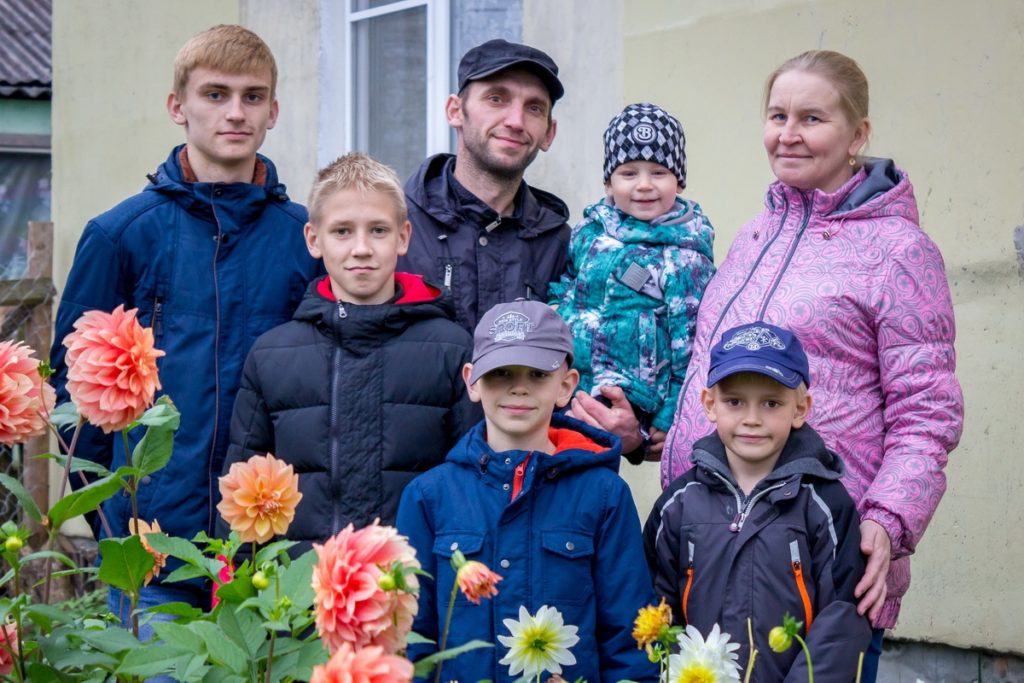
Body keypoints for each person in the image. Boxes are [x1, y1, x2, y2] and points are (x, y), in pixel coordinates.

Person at [661, 50, 964, 682]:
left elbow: (927, 410)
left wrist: (887, 519)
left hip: (820, 559)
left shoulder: (899, 251)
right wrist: (657, 432)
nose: (788, 133)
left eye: (812, 118)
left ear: (858, 135)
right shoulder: (752, 238)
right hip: (711, 547)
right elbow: (715, 379)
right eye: (777, 115)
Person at [49, 25, 321, 616]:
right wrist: (113, 521)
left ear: (273, 111)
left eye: (252, 97)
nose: (235, 112)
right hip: (154, 552)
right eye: (215, 94)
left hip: (274, 551)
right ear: (178, 106)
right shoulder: (120, 236)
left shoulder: (306, 239)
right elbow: (74, 400)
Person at [220, 152, 479, 556]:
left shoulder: (451, 347)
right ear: (313, 239)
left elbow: (472, 485)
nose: (361, 248)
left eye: (378, 230)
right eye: (342, 231)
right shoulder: (273, 355)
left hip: (411, 589)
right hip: (299, 596)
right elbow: (240, 493)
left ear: (404, 236)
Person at [396, 301, 656, 683]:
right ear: (471, 381)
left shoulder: (604, 495)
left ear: (566, 385)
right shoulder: (427, 497)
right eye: (500, 373)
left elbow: (630, 639)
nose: (518, 387)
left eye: (537, 374)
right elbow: (409, 641)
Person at [646, 322, 870, 682]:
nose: (752, 419)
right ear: (709, 404)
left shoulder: (826, 504)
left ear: (800, 408)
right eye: (735, 402)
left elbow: (841, 622)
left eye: (771, 403)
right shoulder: (678, 503)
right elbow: (657, 608)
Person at [549, 102, 715, 464]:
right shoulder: (589, 233)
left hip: (628, 395)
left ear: (679, 181)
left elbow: (691, 345)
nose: (643, 185)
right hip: (569, 382)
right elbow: (568, 284)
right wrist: (553, 313)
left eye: (658, 172)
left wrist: (672, 413)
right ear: (608, 181)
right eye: (628, 173)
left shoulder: (685, 256)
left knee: (588, 477)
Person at [399, 39, 570, 333]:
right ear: (455, 111)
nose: (516, 121)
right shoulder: (394, 228)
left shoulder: (563, 248)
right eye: (496, 99)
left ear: (548, 134)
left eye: (534, 108)